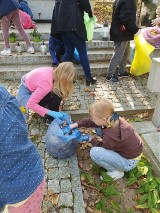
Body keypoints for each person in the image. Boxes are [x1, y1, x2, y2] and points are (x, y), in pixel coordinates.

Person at [69, 99, 143, 180]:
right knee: (98, 127)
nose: (92, 119)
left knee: (95, 152)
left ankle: (116, 171)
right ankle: (116, 153)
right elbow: (91, 122)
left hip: (129, 162)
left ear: (103, 119)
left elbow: (102, 146)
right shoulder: (113, 117)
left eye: (93, 118)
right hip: (131, 149)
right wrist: (74, 125)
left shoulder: (111, 136)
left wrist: (90, 139)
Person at [0, 84, 45, 212]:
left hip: (20, 187)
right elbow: (31, 104)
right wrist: (49, 113)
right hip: (24, 96)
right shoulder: (46, 85)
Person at [51, 0, 97, 86]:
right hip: (73, 25)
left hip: (62, 26)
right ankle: (88, 77)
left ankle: (60, 77)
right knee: (82, 51)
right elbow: (85, 3)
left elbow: (56, 8)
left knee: (69, 50)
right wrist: (90, 15)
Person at [106, 0, 140, 82]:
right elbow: (124, 16)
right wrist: (135, 29)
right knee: (118, 53)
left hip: (124, 32)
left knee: (125, 53)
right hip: (122, 32)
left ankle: (121, 71)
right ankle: (110, 75)